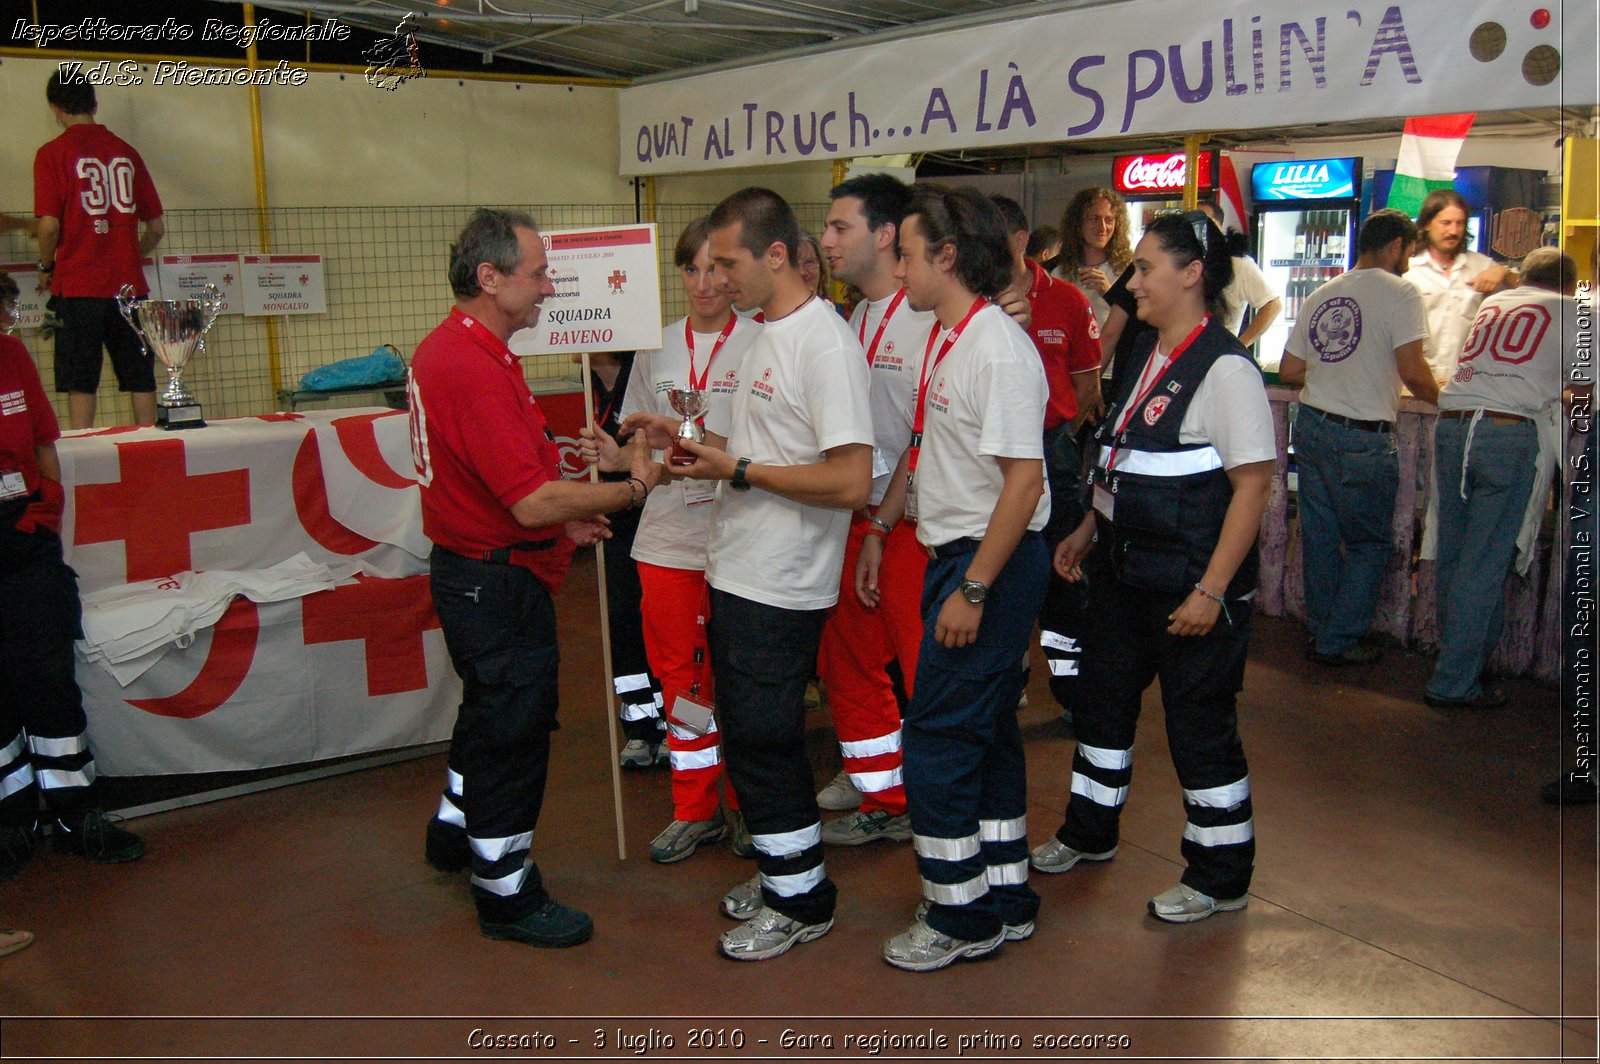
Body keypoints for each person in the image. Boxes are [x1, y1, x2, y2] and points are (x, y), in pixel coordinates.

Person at [627, 188, 873, 962]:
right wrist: (694, 439)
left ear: (774, 255)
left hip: (783, 577)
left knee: (767, 740)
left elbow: (850, 481)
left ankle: (802, 900)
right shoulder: (771, 332)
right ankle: (781, 874)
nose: (717, 278)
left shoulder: (822, 343)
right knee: (753, 736)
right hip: (739, 565)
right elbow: (768, 444)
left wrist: (738, 468)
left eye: (728, 262)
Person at [410, 208, 666, 948]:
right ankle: (506, 888)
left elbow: (516, 487)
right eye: (539, 273)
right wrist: (631, 490)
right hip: (494, 583)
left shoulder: (468, 353)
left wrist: (561, 520)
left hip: (482, 569)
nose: (551, 287)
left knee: (489, 715)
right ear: (490, 278)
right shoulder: (470, 365)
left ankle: (454, 831)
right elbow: (530, 499)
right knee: (513, 731)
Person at [1032, 212, 1274, 925]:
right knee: (1103, 705)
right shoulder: (1144, 353)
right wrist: (1084, 528)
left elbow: (1253, 484)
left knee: (1199, 727)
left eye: (1144, 268)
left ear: (1192, 273)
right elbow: (1122, 455)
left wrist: (1211, 590)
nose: (1129, 281)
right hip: (1123, 572)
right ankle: (1088, 832)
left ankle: (1219, 873)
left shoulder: (1226, 369)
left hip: (1190, 583)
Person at [871, 185, 1051, 970]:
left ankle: (958, 917)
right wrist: (887, 528)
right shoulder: (948, 336)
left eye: (906, 252)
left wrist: (973, 588)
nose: (896, 265)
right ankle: (1002, 894)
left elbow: (1024, 482)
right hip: (964, 556)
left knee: (937, 740)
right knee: (985, 733)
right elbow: (928, 451)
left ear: (946, 257)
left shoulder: (995, 350)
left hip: (989, 563)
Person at [582, 217, 761, 863]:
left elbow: (769, 447)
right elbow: (640, 449)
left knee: (743, 682)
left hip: (742, 535)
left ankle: (749, 804)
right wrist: (621, 457)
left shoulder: (763, 342)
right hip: (666, 539)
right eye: (692, 269)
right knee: (683, 685)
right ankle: (695, 806)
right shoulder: (655, 346)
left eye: (717, 267)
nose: (705, 282)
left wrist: (683, 444)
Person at [0, 270, 146, 880]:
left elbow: (41, 441)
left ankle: (75, 812)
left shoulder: (10, 355)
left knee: (49, 678)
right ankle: (11, 820)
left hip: (25, 537)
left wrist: (45, 508)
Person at [811, 173, 927, 846]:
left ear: (884, 235)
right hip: (859, 520)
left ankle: (925, 800)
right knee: (848, 660)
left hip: (908, 525)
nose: (827, 241)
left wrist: (883, 522)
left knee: (920, 672)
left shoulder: (924, 319)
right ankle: (881, 787)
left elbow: (923, 437)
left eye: (839, 227)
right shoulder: (853, 317)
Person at [1279, 209, 1439, 666]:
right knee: (1369, 544)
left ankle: (1322, 628)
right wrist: (1448, 397)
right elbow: (1413, 370)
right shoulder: (1403, 292)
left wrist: (1336, 369)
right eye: (1410, 250)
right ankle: (1338, 639)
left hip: (1311, 426)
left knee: (1321, 536)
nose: (1409, 259)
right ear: (1396, 246)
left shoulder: (1323, 292)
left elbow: (1290, 371)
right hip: (1361, 435)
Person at [1426, 248, 1578, 709]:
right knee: (1485, 563)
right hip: (1506, 435)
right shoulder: (1575, 311)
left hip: (1452, 426)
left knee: (1452, 555)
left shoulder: (1494, 303)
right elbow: (1584, 385)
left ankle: (1465, 663)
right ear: (1569, 285)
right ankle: (1453, 681)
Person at [991, 195, 1102, 721]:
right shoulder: (964, 303)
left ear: (1017, 240)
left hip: (1051, 450)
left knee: (1063, 577)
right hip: (986, 459)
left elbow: (1086, 389)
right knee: (996, 571)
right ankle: (1006, 681)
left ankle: (1077, 697)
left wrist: (1054, 442)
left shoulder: (1068, 301)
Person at [33, 71, 165, 430]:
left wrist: (46, 264)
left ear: (56, 108)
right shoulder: (127, 152)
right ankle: (150, 444)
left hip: (78, 285)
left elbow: (48, 225)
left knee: (81, 380)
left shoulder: (51, 155)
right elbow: (156, 228)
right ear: (94, 103)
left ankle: (86, 453)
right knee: (140, 375)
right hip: (128, 287)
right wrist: (129, 255)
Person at [576, 350, 665, 768]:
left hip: (656, 509)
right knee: (623, 618)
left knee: (659, 618)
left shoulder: (645, 368)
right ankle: (639, 724)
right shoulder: (586, 381)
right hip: (614, 514)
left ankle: (671, 723)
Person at [1405, 189, 1513, 386]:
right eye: (1445, 223)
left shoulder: (1481, 265)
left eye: (1460, 223)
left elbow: (1527, 293)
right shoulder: (1409, 270)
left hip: (1467, 381)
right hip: (1419, 380)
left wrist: (1504, 271)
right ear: (1427, 224)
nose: (1453, 231)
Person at [1197, 200, 1282, 350]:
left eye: (1206, 222)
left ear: (1218, 226)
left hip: (1220, 355)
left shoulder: (1238, 264)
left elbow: (1273, 305)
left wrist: (1240, 345)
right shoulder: (1182, 263)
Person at [1051, 187, 1133, 326]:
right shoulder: (1058, 272)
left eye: (1109, 220)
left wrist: (1108, 292)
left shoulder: (1128, 271)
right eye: (1094, 219)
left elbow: (1137, 324)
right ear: (1078, 223)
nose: (1102, 227)